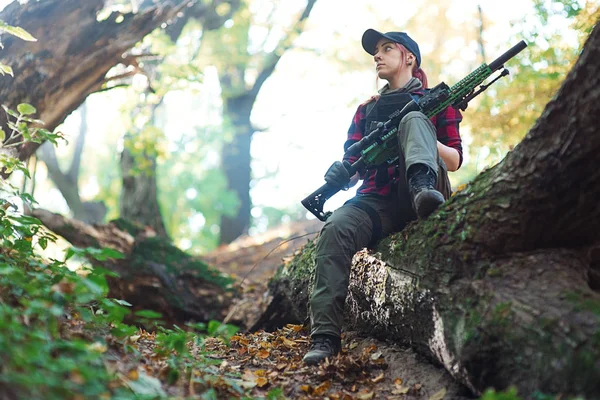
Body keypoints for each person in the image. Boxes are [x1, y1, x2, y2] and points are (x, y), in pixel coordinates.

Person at [302, 29, 463, 365]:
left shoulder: (437, 100)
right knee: (335, 228)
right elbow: (355, 167)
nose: (377, 56)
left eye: (387, 49)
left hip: (429, 191)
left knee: (414, 118)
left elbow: (455, 160)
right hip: (377, 201)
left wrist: (416, 131)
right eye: (375, 51)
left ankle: (421, 188)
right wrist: (340, 173)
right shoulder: (366, 111)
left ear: (409, 58)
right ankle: (324, 338)